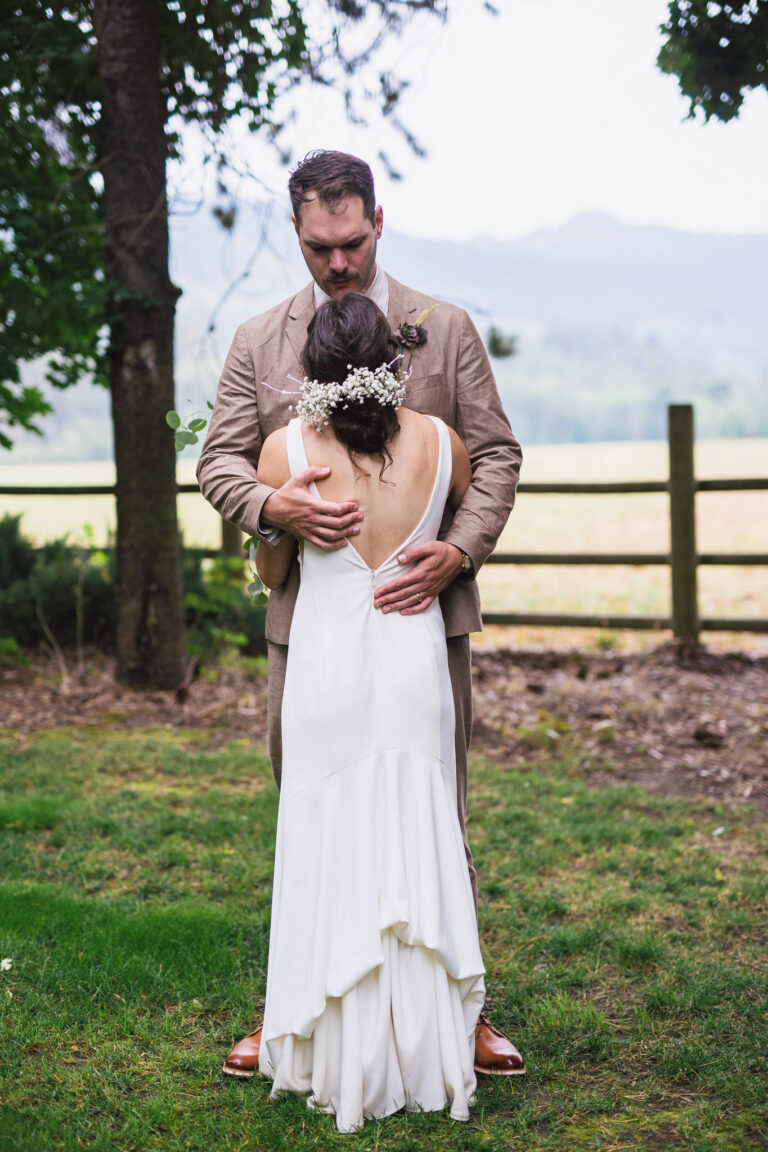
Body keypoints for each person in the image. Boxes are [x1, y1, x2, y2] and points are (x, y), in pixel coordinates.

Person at [196, 150, 524, 1079]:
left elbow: (496, 455)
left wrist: (460, 549)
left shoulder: (444, 328)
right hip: (312, 624)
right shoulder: (259, 339)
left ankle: (459, 1008)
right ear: (297, 235)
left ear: (379, 221)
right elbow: (219, 461)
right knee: (314, 801)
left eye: (351, 243)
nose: (337, 263)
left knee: (432, 802)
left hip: (423, 615)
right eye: (318, 248)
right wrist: (273, 507)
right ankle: (296, 1006)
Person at [255, 292, 484, 1130]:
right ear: (394, 361)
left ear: (312, 371)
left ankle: (332, 1043)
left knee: (333, 838)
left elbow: (274, 575)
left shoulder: (285, 453)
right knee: (415, 834)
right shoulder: (442, 443)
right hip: (414, 664)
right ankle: (428, 1052)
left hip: (327, 672)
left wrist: (276, 529)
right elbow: (459, 512)